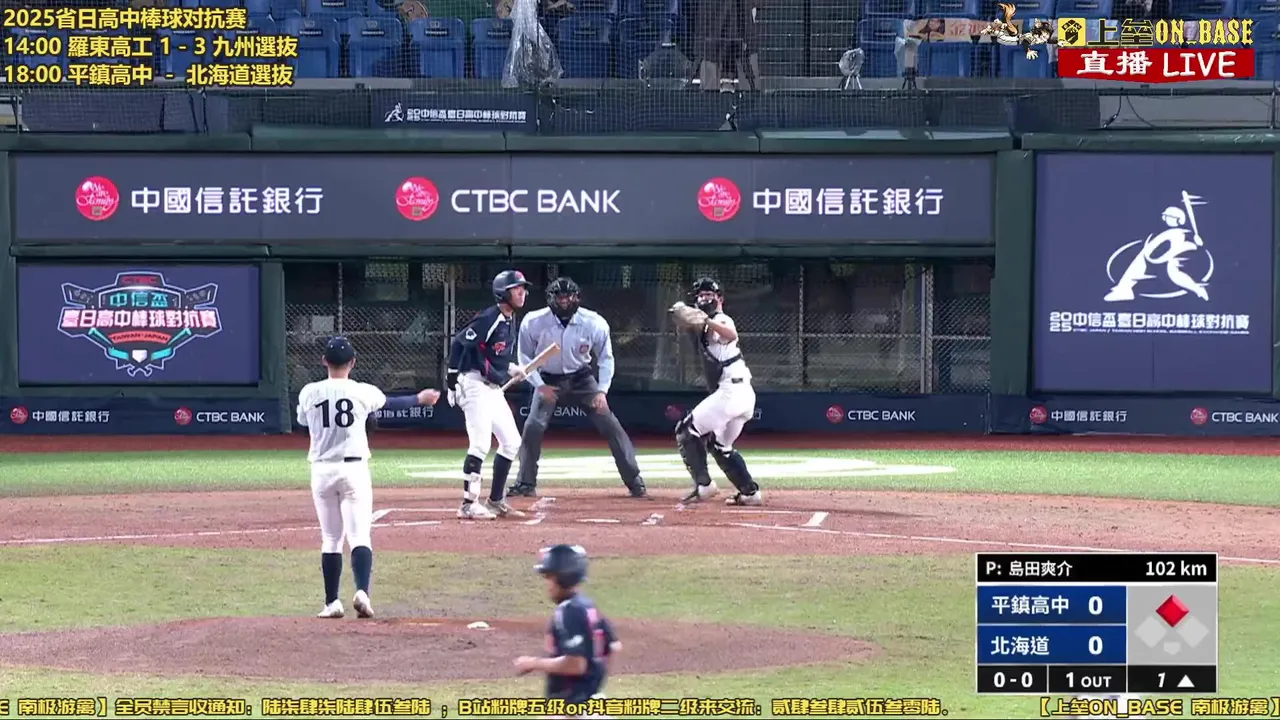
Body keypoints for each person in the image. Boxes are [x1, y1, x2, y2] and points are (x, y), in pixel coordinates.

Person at [296, 336, 440, 619]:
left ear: (324, 361)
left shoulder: (308, 392)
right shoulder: (363, 391)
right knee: (359, 535)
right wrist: (419, 398)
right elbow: (392, 404)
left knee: (331, 538)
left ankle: (331, 602)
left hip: (322, 470)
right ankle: (362, 591)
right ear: (352, 362)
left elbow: (302, 422)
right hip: (354, 469)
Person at [508, 277, 646, 499]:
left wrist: (602, 391)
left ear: (577, 297)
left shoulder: (594, 322)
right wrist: (540, 386)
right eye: (559, 297)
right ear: (550, 299)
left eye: (568, 297)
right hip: (548, 378)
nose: (564, 301)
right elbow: (525, 357)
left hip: (582, 378)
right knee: (533, 427)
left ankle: (635, 481)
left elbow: (606, 359)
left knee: (611, 426)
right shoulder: (533, 321)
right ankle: (525, 483)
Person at [447, 269, 533, 520]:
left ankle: (495, 500)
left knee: (512, 442)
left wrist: (511, 368)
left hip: (491, 388)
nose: (522, 293)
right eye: (517, 289)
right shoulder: (490, 317)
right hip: (473, 383)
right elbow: (459, 343)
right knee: (480, 444)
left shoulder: (509, 319)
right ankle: (468, 504)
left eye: (523, 289)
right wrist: (451, 381)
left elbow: (494, 355)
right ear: (503, 293)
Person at [674, 277, 763, 506]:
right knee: (720, 446)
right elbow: (691, 324)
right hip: (741, 393)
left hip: (732, 391)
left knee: (686, 430)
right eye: (701, 295)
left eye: (709, 294)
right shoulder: (706, 324)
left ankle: (704, 485)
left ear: (720, 298)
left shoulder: (720, 319)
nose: (705, 298)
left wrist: (705, 319)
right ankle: (750, 493)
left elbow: (730, 334)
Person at [514, 544, 619, 715]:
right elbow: (614, 647)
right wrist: (592, 685)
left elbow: (576, 664)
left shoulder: (569, 611)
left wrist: (533, 663)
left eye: (550, 577)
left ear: (563, 578)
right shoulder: (588, 606)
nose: (547, 584)